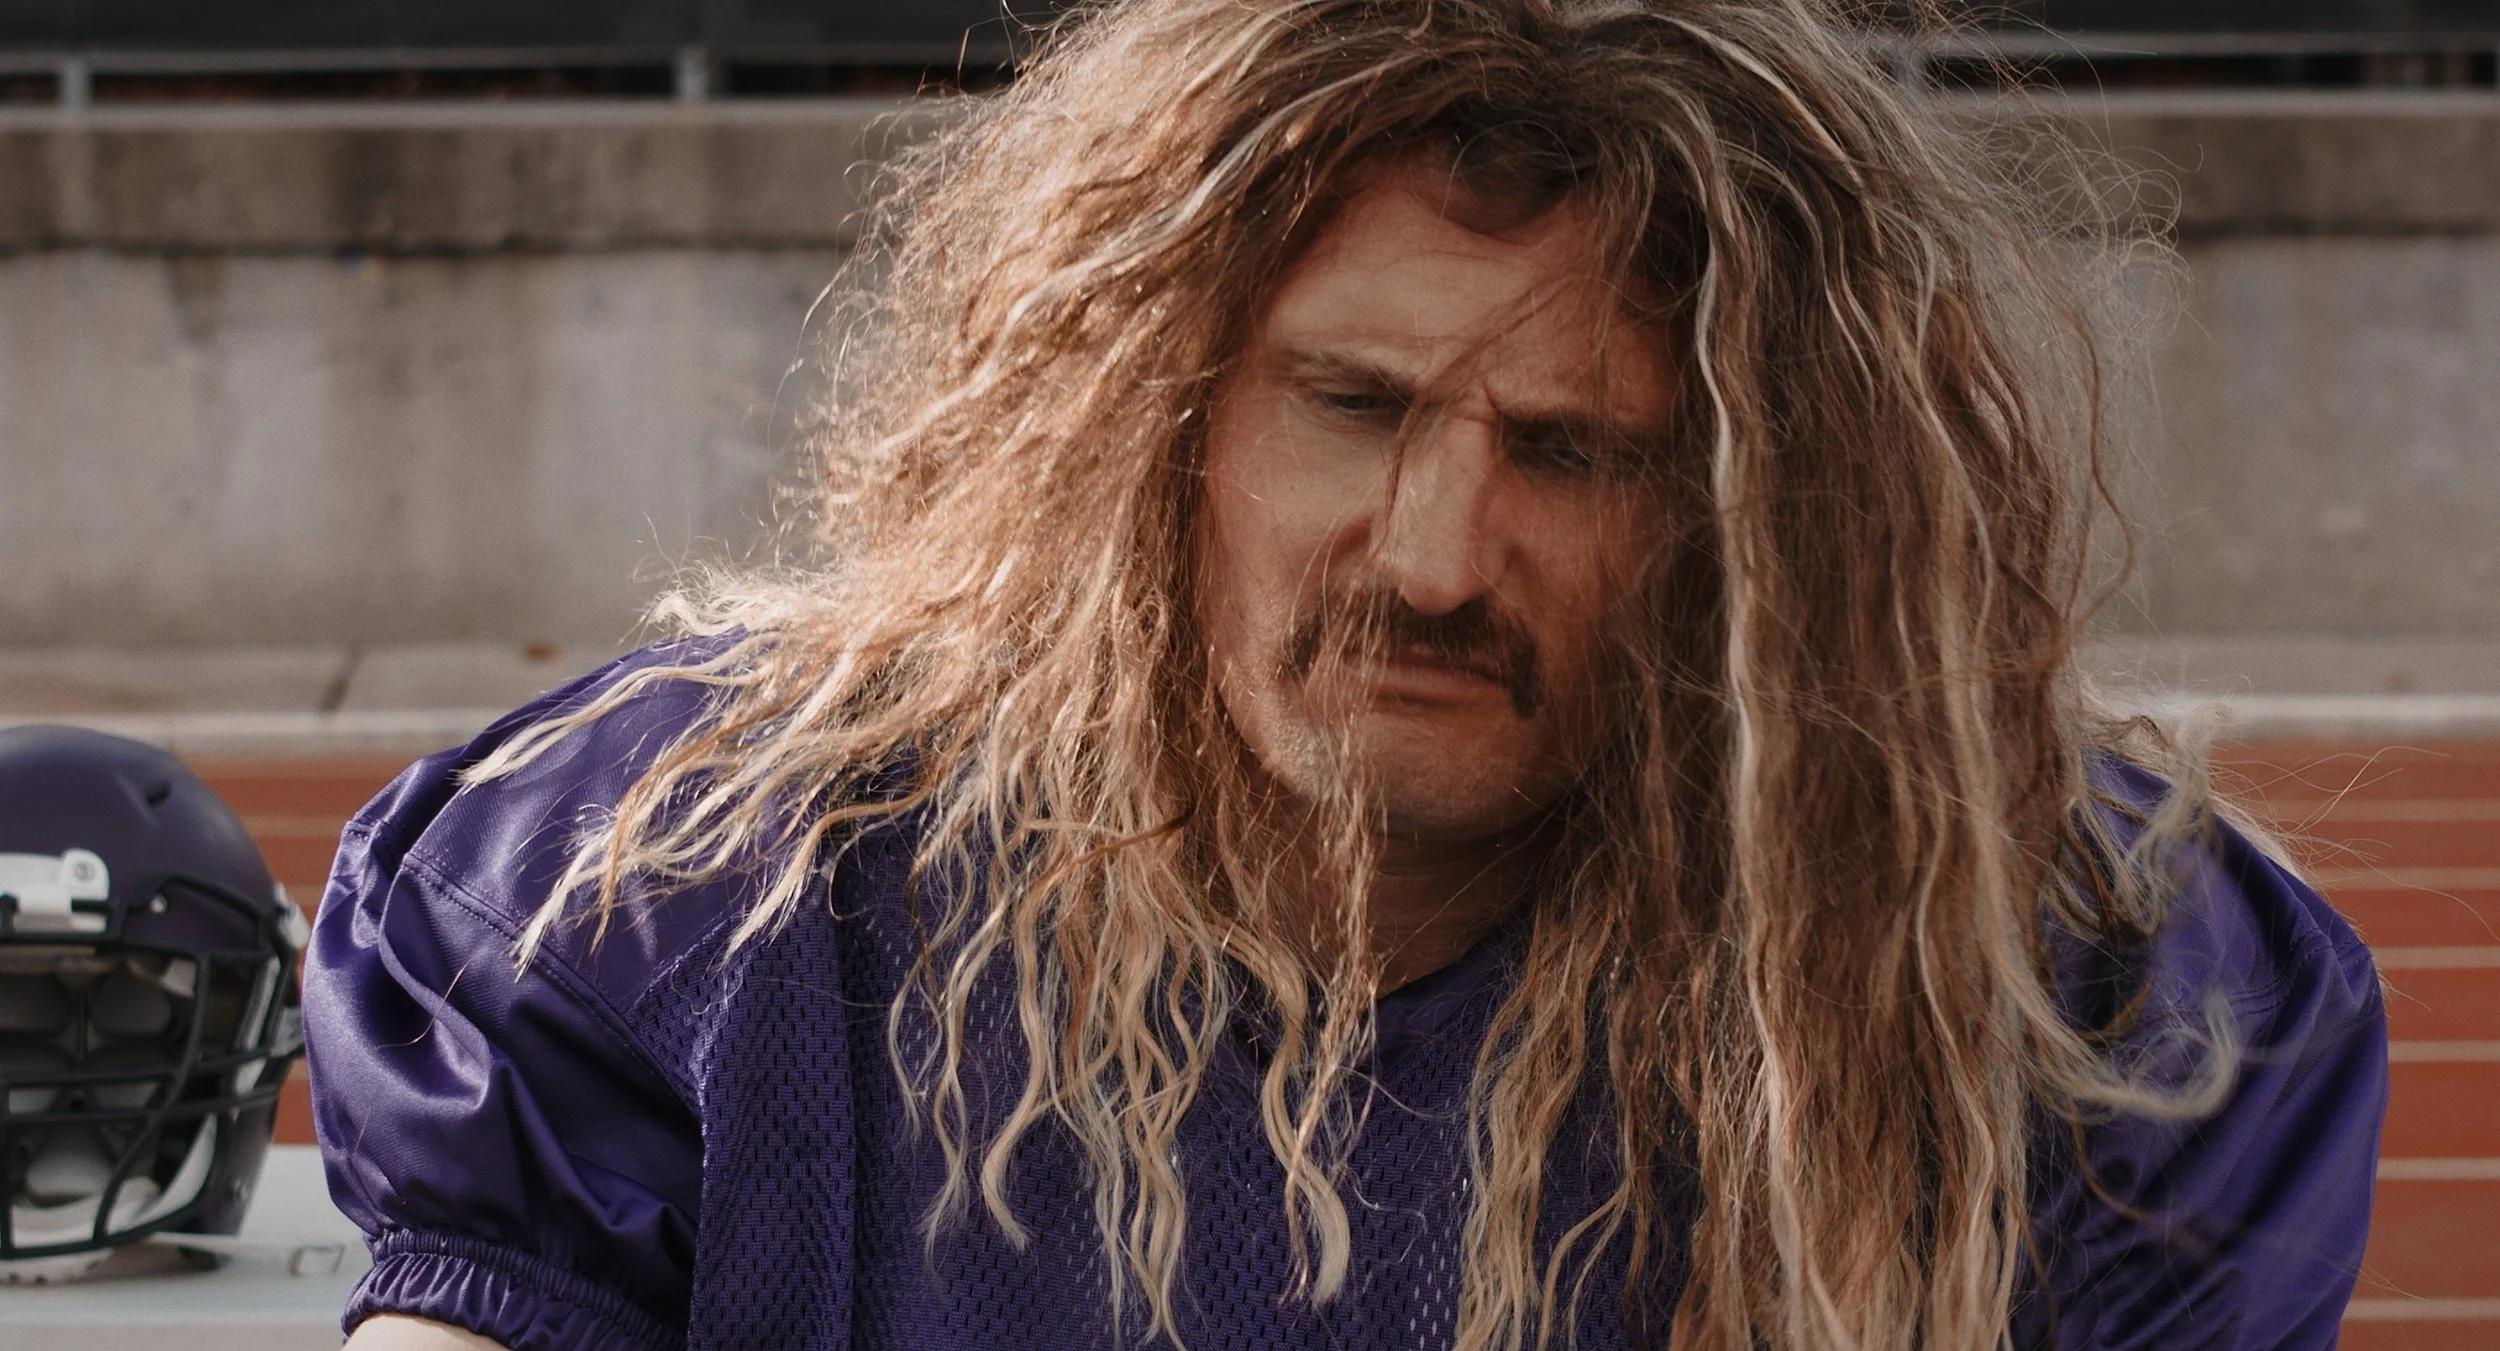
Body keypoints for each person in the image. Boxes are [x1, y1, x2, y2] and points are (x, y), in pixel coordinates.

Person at [303, 2, 2387, 1348]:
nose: (1432, 560)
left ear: (1762, 520)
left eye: (1573, 455)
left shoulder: (2078, 983)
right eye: (1352, 402)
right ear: (1145, 413)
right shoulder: (682, 875)